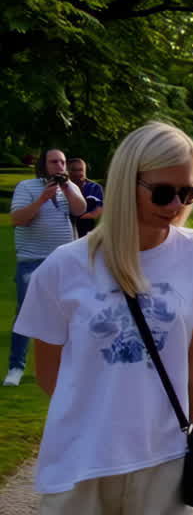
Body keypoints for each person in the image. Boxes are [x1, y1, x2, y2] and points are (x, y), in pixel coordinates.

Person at [13, 122, 193, 513]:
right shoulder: (63, 267)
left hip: (163, 462)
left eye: (187, 192)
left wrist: (169, 432)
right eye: (164, 192)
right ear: (124, 182)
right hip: (79, 464)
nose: (176, 206)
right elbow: (49, 374)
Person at [6, 148, 86, 387]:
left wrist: (67, 189)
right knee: (25, 312)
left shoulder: (69, 188)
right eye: (54, 162)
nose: (60, 166)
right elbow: (17, 219)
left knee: (73, 312)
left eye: (62, 162)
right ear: (43, 165)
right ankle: (15, 367)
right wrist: (42, 198)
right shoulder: (26, 187)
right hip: (32, 260)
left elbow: (80, 210)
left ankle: (72, 365)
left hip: (66, 262)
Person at [67, 158, 104, 238]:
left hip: (87, 231)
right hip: (65, 231)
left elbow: (97, 211)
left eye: (80, 170)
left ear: (85, 170)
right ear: (67, 171)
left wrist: (76, 217)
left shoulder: (94, 187)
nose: (77, 173)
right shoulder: (61, 187)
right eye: (73, 170)